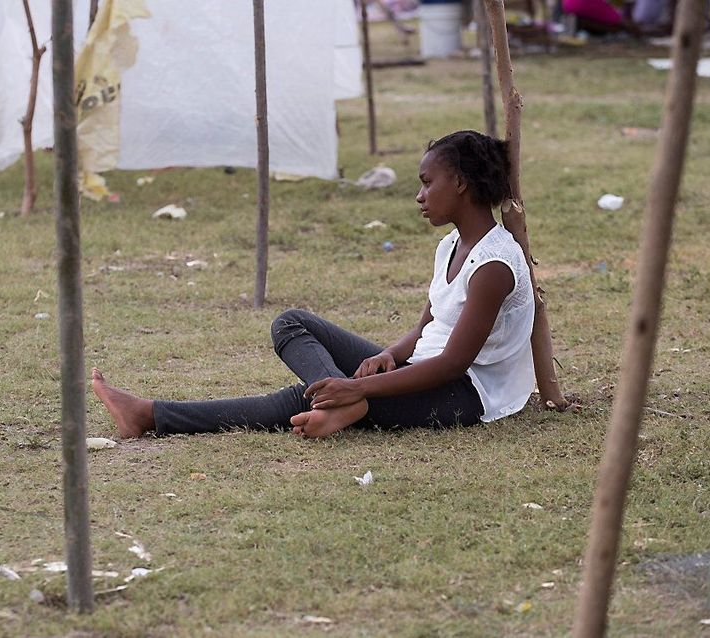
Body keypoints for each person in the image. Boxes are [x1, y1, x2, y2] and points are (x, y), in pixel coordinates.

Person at [91, 130, 536, 439]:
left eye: (426, 183)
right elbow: (427, 327)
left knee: (296, 398)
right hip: (416, 372)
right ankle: (343, 404)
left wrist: (358, 387)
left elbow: (452, 365)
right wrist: (386, 356)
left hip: (462, 396)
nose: (419, 196)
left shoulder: (493, 265)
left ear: (459, 183)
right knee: (291, 323)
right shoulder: (452, 245)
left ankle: (149, 415)